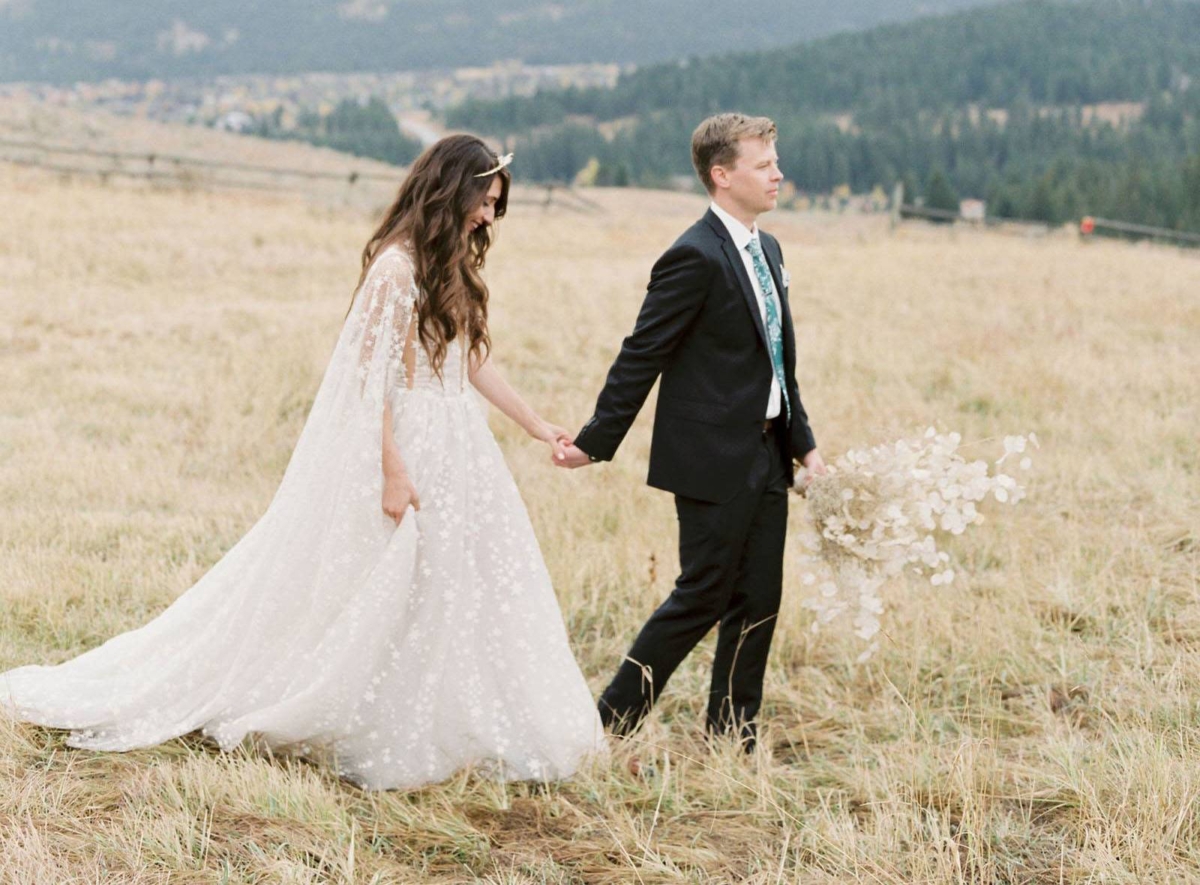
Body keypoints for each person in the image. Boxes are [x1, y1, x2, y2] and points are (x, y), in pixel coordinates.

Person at [1, 135, 604, 791]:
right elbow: (369, 381)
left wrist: (536, 424)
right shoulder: (395, 269)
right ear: (450, 190)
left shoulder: (448, 263)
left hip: (462, 443)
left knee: (457, 582)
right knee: (389, 579)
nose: (488, 217)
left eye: (494, 205)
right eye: (483, 201)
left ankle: (450, 715)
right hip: (411, 441)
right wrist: (392, 468)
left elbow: (472, 361)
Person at [556, 113, 827, 750]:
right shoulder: (692, 255)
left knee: (760, 598)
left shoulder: (770, 249)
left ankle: (733, 736)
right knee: (702, 595)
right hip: (710, 455)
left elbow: (778, 359)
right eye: (764, 165)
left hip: (767, 451)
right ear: (722, 174)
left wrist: (803, 443)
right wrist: (596, 441)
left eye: (775, 161)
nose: (778, 174)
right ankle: (609, 725)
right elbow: (642, 353)